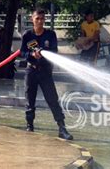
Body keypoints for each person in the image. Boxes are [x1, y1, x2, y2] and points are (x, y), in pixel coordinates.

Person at [20, 9, 73, 140]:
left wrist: (43, 52)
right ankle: (29, 126)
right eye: (37, 18)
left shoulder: (50, 35)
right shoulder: (27, 35)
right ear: (32, 19)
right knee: (29, 100)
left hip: (45, 71)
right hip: (31, 70)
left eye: (42, 19)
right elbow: (22, 52)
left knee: (52, 99)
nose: (40, 21)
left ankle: (62, 128)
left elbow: (54, 52)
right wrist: (31, 54)